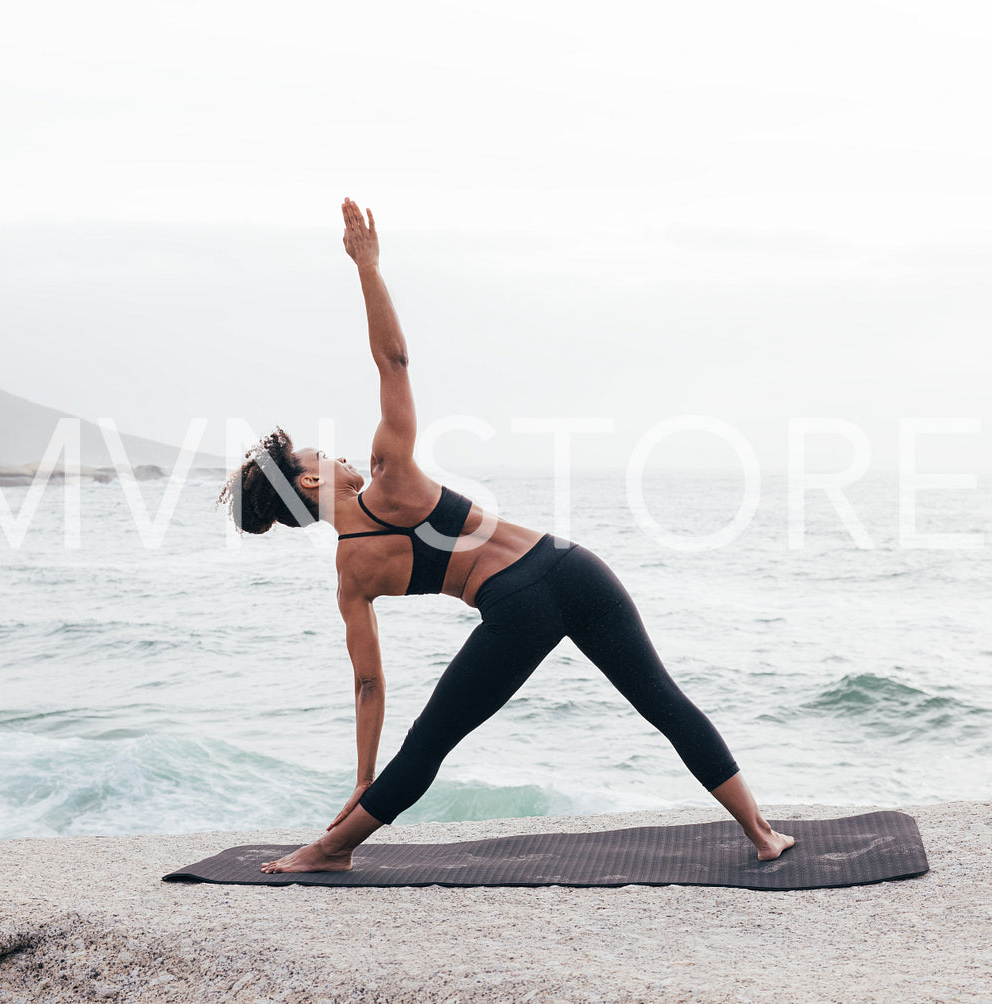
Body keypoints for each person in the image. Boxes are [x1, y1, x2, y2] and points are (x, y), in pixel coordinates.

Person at [218, 198, 794, 873]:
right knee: (662, 701)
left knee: (428, 743)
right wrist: (368, 268)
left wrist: (363, 774)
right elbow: (394, 363)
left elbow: (369, 684)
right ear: (309, 485)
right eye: (318, 456)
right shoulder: (389, 476)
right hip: (573, 569)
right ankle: (759, 832)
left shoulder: (352, 572)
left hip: (516, 608)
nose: (332, 454)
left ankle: (328, 851)